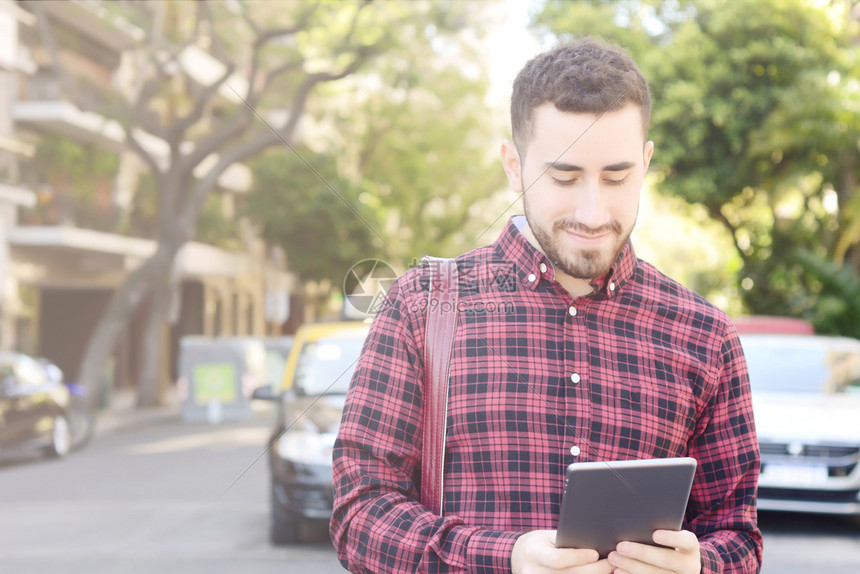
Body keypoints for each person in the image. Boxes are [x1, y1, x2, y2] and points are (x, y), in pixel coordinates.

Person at [330, 37, 762, 574]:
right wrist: (503, 558)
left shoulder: (705, 335)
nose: (592, 209)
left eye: (617, 176)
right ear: (514, 166)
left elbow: (738, 538)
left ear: (646, 163)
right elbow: (359, 515)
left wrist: (700, 566)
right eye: (563, 176)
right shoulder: (421, 306)